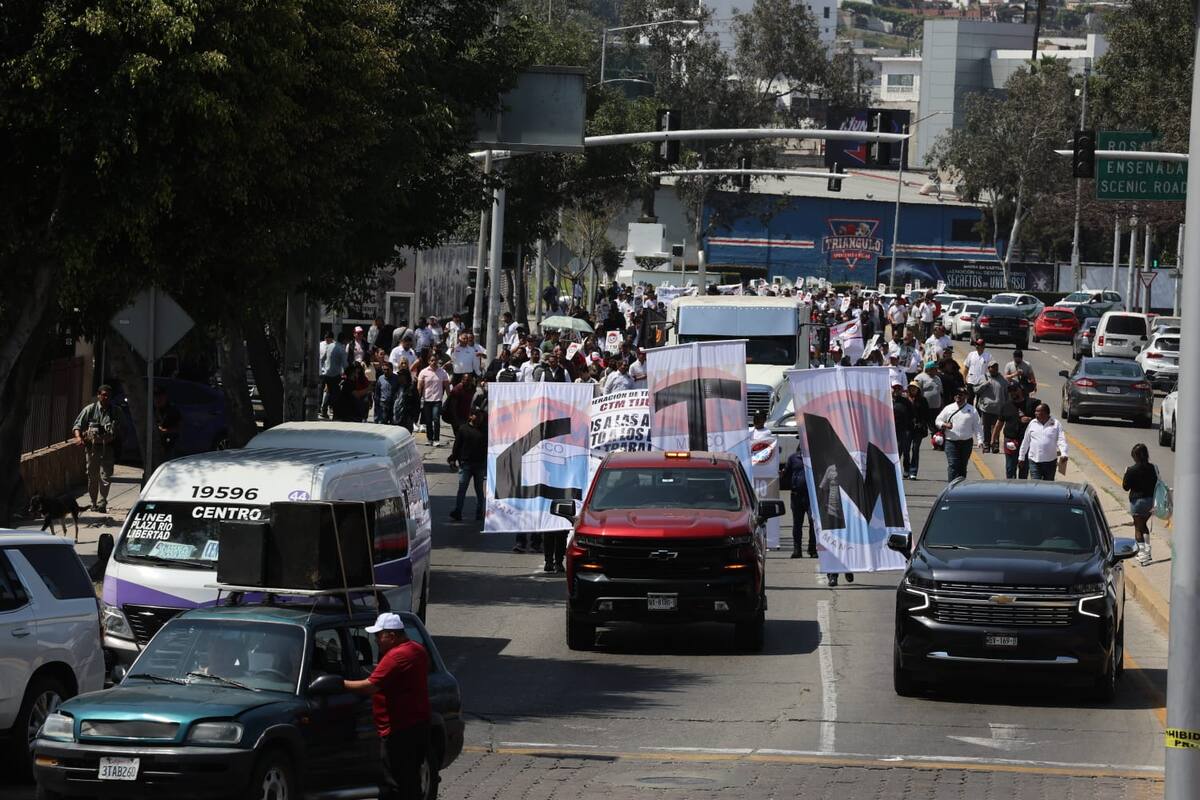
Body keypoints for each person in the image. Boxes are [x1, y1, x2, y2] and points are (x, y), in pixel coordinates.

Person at [343, 613, 431, 800]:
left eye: (378, 635)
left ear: (391, 636)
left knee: (395, 783)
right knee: (410, 780)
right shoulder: (417, 649)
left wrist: (339, 684)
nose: (376, 640)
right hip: (417, 725)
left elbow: (369, 686)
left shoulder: (396, 656)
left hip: (399, 729)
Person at [72, 385, 119, 512]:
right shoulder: (90, 409)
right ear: (98, 395)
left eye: (108, 395)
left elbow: (123, 429)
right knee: (93, 476)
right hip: (92, 448)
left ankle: (102, 503)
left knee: (106, 476)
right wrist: (78, 437)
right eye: (103, 394)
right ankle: (93, 502)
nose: (106, 397)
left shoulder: (116, 411)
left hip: (108, 448)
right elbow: (77, 425)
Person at [935, 387, 983, 482]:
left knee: (962, 466)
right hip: (951, 442)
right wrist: (944, 424)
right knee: (953, 464)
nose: (958, 396)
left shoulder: (972, 410)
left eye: (961, 394)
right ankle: (951, 488)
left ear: (966, 396)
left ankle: (960, 487)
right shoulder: (948, 408)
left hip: (966, 443)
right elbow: (938, 420)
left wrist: (980, 440)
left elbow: (977, 426)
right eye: (956, 394)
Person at [1122, 443, 1158, 566]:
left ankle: (1142, 554)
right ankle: (1148, 551)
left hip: (1137, 502)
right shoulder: (1153, 468)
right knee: (1144, 525)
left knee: (1138, 528)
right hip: (1150, 502)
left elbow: (1125, 487)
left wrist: (1125, 474)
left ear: (1135, 456)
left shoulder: (1131, 470)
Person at [448, 409, 487, 522]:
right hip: (466, 465)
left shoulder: (484, 430)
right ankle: (458, 511)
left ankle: (480, 512)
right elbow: (457, 446)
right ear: (470, 416)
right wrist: (452, 459)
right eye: (477, 416)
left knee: (479, 490)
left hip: (480, 465)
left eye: (481, 417)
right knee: (462, 489)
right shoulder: (463, 429)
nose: (480, 419)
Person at [1018, 403, 1068, 481]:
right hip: (1034, 461)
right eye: (1035, 411)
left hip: (1050, 462)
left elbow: (1061, 440)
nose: (1035, 413)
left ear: (1045, 413)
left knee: (1048, 486)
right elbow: (1026, 441)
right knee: (1036, 485)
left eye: (1038, 411)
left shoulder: (1056, 424)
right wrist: (1021, 457)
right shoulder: (1032, 423)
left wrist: (1064, 453)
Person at [780, 448, 815, 558]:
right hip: (797, 496)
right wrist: (782, 474)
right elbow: (786, 475)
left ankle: (812, 549)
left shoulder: (814, 457)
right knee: (797, 524)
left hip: (811, 496)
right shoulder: (793, 458)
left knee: (813, 522)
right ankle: (797, 550)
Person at [1000, 382, 1037, 479]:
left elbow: (1042, 419)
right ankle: (1010, 489)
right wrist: (993, 439)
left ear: (1020, 389)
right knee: (1010, 468)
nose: (1012, 393)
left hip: (1026, 441)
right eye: (1010, 391)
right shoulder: (1006, 405)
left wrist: (1030, 419)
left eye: (1014, 390)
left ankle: (1021, 490)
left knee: (1024, 467)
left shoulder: (1032, 404)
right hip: (1010, 440)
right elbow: (999, 423)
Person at [973, 362, 1009, 453]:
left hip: (999, 408)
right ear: (988, 368)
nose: (995, 369)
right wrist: (984, 385)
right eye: (992, 367)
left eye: (996, 367)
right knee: (986, 427)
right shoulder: (983, 378)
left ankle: (995, 445)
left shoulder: (1003, 380)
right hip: (986, 408)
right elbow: (975, 390)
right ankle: (986, 444)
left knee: (996, 427)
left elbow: (1007, 394)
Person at [416, 355, 450, 447]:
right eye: (432, 360)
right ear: (428, 361)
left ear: (438, 361)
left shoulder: (443, 372)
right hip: (426, 400)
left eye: (435, 360)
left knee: (436, 419)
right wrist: (417, 398)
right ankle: (429, 439)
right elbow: (419, 386)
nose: (434, 362)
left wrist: (449, 398)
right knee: (428, 420)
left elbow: (447, 386)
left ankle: (436, 439)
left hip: (437, 400)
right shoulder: (423, 372)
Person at [320, 331, 349, 418]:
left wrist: (323, 369)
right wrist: (348, 372)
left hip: (327, 373)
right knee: (335, 394)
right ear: (343, 340)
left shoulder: (329, 346)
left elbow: (322, 358)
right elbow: (345, 364)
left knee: (327, 391)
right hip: (336, 375)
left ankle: (323, 410)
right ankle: (336, 414)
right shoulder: (341, 349)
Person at [905, 383, 930, 479]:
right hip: (907, 429)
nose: (913, 390)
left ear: (918, 389)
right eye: (911, 388)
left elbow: (927, 414)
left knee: (915, 449)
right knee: (905, 449)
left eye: (914, 388)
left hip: (918, 429)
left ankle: (913, 471)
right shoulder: (905, 400)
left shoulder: (923, 400)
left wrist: (922, 423)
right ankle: (906, 469)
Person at [891, 382, 915, 479]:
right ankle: (891, 470)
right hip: (889, 430)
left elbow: (912, 415)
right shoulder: (886, 399)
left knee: (902, 450)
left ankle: (905, 470)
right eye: (894, 388)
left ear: (901, 390)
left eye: (898, 389)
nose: (896, 390)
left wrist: (909, 427)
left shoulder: (906, 401)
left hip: (903, 430)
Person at [153, 386, 182, 460]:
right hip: (154, 442)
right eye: (156, 397)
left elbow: (178, 428)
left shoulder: (172, 410)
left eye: (160, 396)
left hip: (169, 442)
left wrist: (164, 431)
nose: (158, 399)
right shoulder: (152, 409)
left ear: (165, 397)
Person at [392, 366, 419, 432]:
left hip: (407, 417)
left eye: (401, 375)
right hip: (396, 416)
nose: (399, 377)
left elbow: (417, 403)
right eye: (399, 375)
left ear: (405, 377)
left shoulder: (411, 388)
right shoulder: (397, 387)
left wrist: (414, 418)